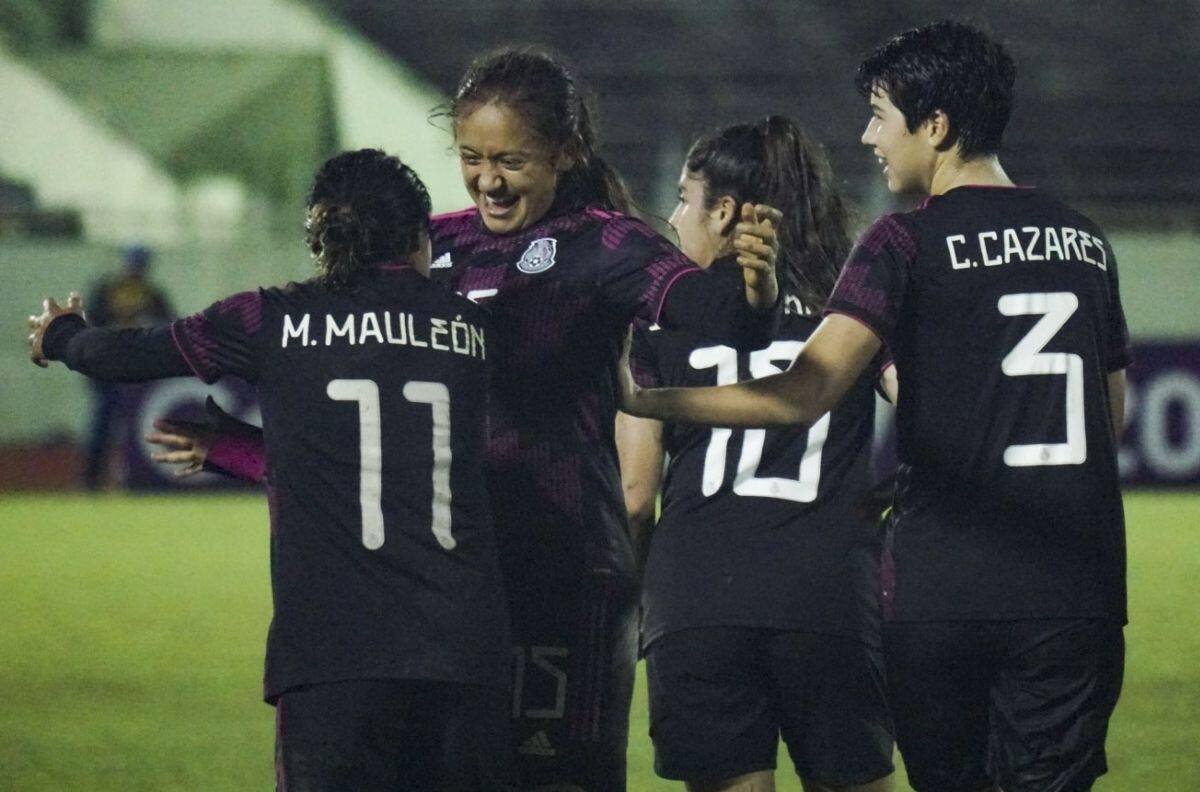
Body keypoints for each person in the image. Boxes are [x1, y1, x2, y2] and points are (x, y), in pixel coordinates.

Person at [147, 48, 783, 792]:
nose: (487, 178)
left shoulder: (609, 244)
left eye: (510, 159)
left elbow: (723, 320)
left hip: (564, 570)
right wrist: (238, 448)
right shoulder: (428, 244)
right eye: (471, 157)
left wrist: (756, 293)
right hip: (445, 593)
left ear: (564, 151)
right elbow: (355, 418)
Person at [618, 21, 1128, 792]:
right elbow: (1108, 417)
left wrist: (641, 397)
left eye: (881, 115)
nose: (868, 136)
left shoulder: (900, 243)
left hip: (940, 592)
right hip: (1074, 588)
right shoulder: (1085, 242)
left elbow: (804, 390)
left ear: (937, 126)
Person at [29, 149, 517, 791]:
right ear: (418, 239)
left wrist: (63, 334)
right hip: (466, 652)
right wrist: (233, 447)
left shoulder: (273, 319)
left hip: (333, 653)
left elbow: (126, 355)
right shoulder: (474, 331)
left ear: (321, 239)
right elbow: (399, 464)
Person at [616, 116, 895, 792]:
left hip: (697, 597)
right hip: (826, 593)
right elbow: (927, 409)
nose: (675, 215)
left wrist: (635, 599)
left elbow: (633, 493)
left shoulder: (660, 315)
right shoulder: (851, 306)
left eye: (686, 197)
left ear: (726, 212)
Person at [81, 244, 174, 489]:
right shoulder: (107, 290)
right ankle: (92, 478)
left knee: (128, 424)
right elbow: (91, 325)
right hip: (106, 366)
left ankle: (126, 477)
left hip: (135, 370)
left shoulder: (152, 294)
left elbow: (170, 325)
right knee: (103, 420)